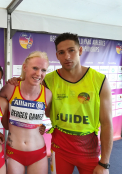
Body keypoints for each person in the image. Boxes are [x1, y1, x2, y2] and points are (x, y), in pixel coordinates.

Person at [9, 33, 113, 174]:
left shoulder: (99, 80)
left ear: (80, 51)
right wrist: (16, 80)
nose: (67, 56)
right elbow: (28, 87)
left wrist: (105, 163)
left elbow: (107, 124)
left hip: (89, 149)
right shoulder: (48, 80)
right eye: (61, 52)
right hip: (60, 148)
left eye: (71, 50)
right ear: (57, 55)